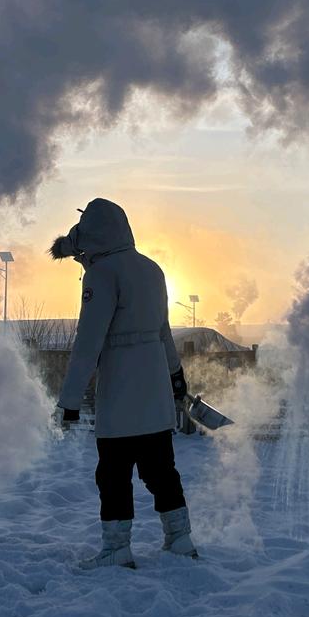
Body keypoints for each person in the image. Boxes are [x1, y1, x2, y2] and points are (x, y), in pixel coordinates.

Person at [51, 197, 197, 569]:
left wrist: (69, 400)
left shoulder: (102, 274)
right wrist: (175, 376)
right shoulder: (152, 269)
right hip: (155, 388)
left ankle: (117, 549)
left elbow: (88, 341)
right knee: (161, 469)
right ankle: (180, 539)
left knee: (113, 473)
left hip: (120, 389)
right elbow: (164, 332)